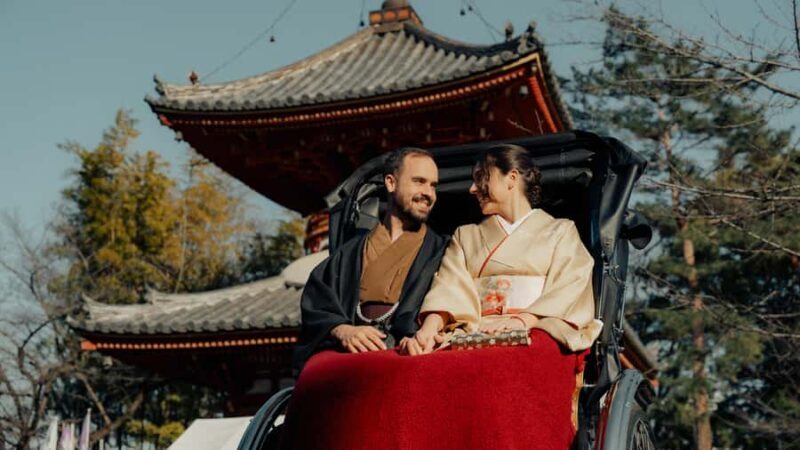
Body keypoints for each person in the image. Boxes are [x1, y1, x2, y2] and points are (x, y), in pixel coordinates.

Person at [400, 143, 602, 355]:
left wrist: (522, 320)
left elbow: (571, 286)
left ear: (511, 178)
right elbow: (449, 289)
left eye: (481, 177)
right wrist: (428, 329)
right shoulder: (466, 235)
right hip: (475, 334)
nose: (472, 188)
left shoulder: (561, 231)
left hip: (539, 330)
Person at [293, 147, 449, 371]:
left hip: (411, 356)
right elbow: (317, 301)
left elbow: (452, 299)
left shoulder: (442, 250)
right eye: (419, 181)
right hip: (351, 356)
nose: (429, 193)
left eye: (433, 185)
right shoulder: (349, 253)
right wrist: (342, 330)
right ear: (390, 183)